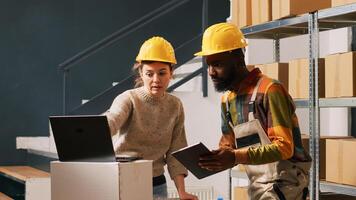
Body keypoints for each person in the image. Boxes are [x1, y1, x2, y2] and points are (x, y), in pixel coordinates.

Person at [196, 22, 312, 200]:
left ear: (237, 59)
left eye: (217, 64)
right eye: (209, 65)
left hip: (286, 185)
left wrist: (234, 157)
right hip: (257, 185)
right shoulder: (227, 101)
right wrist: (217, 158)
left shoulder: (270, 90)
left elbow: (284, 148)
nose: (211, 72)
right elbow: (229, 144)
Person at [106, 36, 198, 200]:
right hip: (123, 181)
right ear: (141, 73)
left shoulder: (175, 106)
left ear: (171, 72)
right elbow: (113, 119)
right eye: (149, 73)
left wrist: (181, 192)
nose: (156, 80)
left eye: (162, 73)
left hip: (157, 184)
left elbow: (176, 150)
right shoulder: (128, 99)